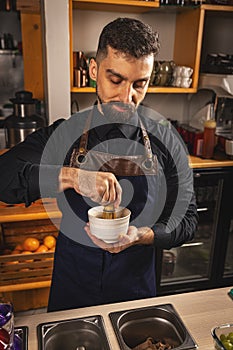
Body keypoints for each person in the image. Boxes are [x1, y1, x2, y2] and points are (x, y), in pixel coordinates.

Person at [0, 17, 198, 312]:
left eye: (139, 85)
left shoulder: (167, 142)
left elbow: (187, 221)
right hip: (73, 291)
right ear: (94, 70)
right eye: (115, 79)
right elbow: (3, 178)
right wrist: (71, 176)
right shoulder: (63, 136)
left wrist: (141, 235)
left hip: (136, 292)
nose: (126, 97)